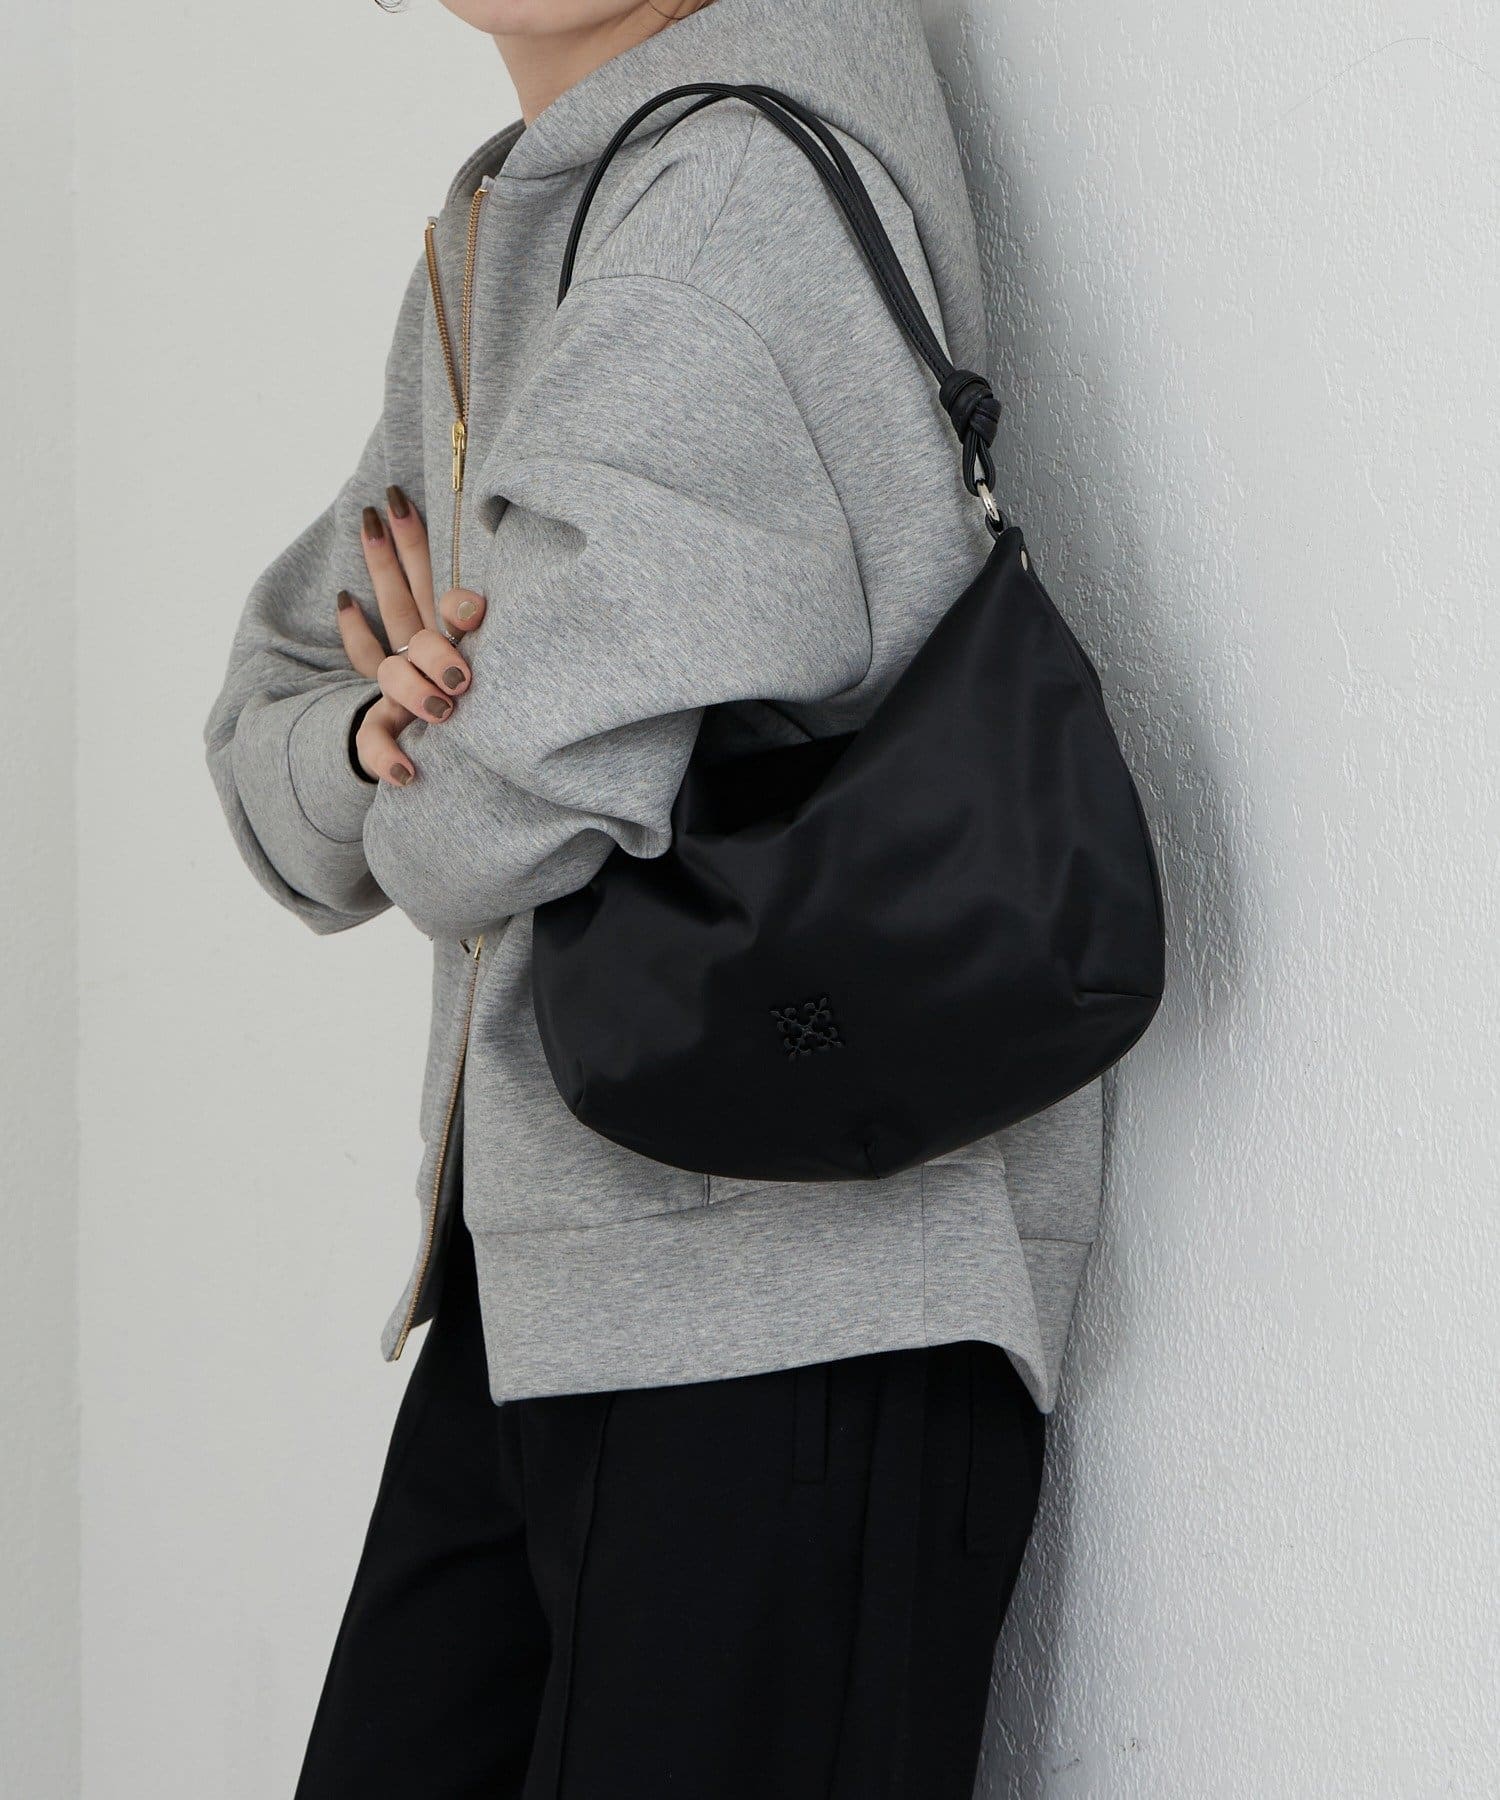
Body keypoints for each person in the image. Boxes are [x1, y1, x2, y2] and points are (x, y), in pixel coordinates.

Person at [203, 1, 1103, 1792]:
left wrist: (434, 761)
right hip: (555, 1276)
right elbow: (272, 733)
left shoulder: (734, 190)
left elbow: (500, 804)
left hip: (798, 1301)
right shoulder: (515, 222)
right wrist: (387, 735)